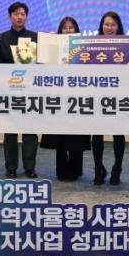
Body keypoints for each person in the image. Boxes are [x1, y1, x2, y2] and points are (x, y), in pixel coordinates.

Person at [0, 2, 39, 178]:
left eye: (23, 14)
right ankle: (11, 167)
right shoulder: (1, 39)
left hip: (31, 92)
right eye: (16, 14)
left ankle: (30, 167)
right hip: (9, 91)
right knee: (10, 132)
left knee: (30, 131)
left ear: (26, 16)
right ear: (9, 16)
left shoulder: (36, 38)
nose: (19, 17)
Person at [40, 17, 91, 181]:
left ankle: (76, 169)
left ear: (76, 30)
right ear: (60, 30)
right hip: (59, 95)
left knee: (77, 135)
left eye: (71, 27)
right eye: (65, 28)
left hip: (78, 95)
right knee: (60, 137)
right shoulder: (53, 46)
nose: (68, 30)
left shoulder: (84, 47)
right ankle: (61, 170)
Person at [91, 11, 127, 185]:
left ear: (118, 26)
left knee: (118, 134)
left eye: (113, 24)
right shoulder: (92, 45)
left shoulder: (126, 45)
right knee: (97, 134)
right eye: (106, 24)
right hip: (97, 95)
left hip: (119, 96)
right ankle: (98, 168)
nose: (110, 27)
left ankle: (117, 169)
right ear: (101, 26)